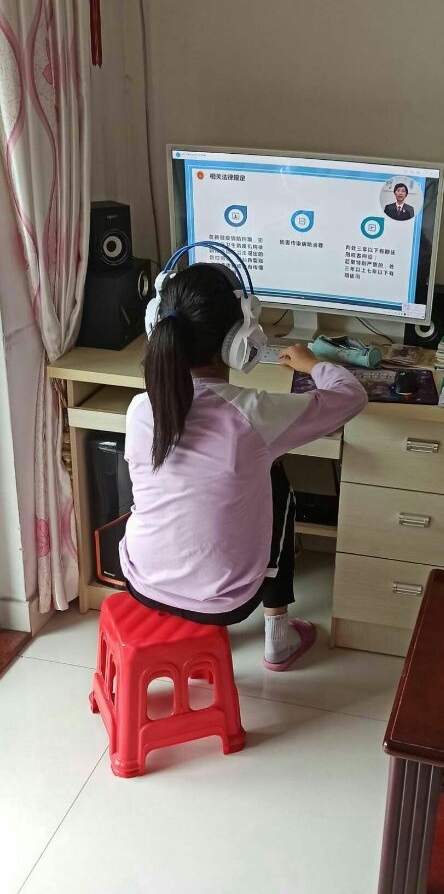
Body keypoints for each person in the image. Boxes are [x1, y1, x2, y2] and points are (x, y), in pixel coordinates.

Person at [119, 263, 367, 670]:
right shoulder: (254, 414)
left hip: (142, 579)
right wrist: (311, 363)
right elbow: (351, 397)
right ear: (239, 341)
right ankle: (278, 636)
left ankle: (191, 632)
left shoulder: (140, 408)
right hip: (226, 600)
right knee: (277, 486)